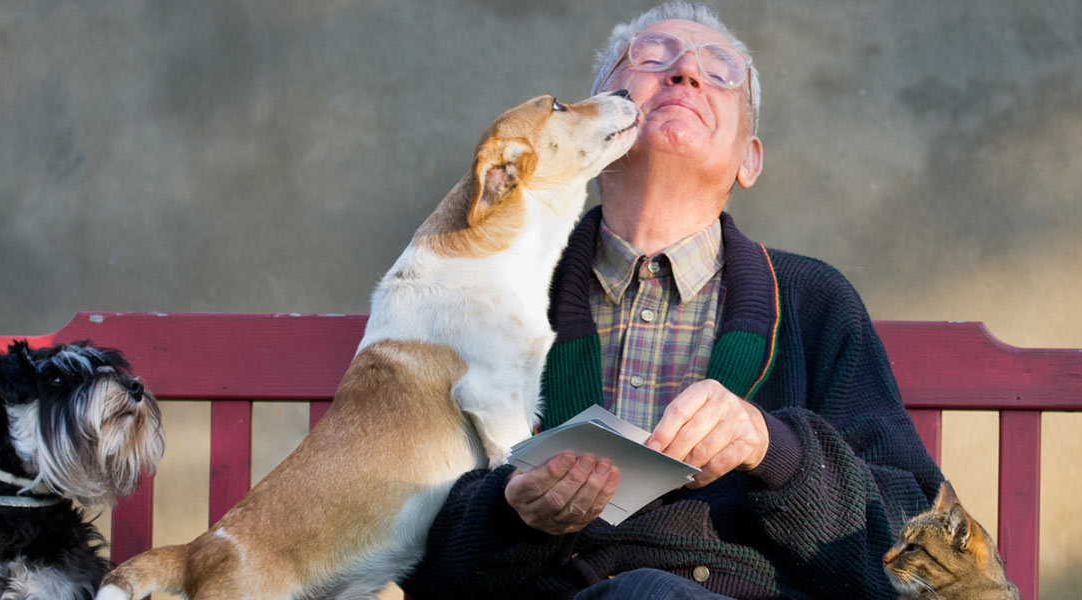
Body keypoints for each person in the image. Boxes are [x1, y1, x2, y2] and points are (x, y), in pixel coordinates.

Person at [401, 3, 944, 598]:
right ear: (592, 128)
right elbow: (411, 550)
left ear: (748, 160)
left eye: (720, 73)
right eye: (651, 56)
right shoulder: (496, 302)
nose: (684, 71)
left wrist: (772, 448)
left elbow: (910, 551)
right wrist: (513, 514)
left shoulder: (815, 303)